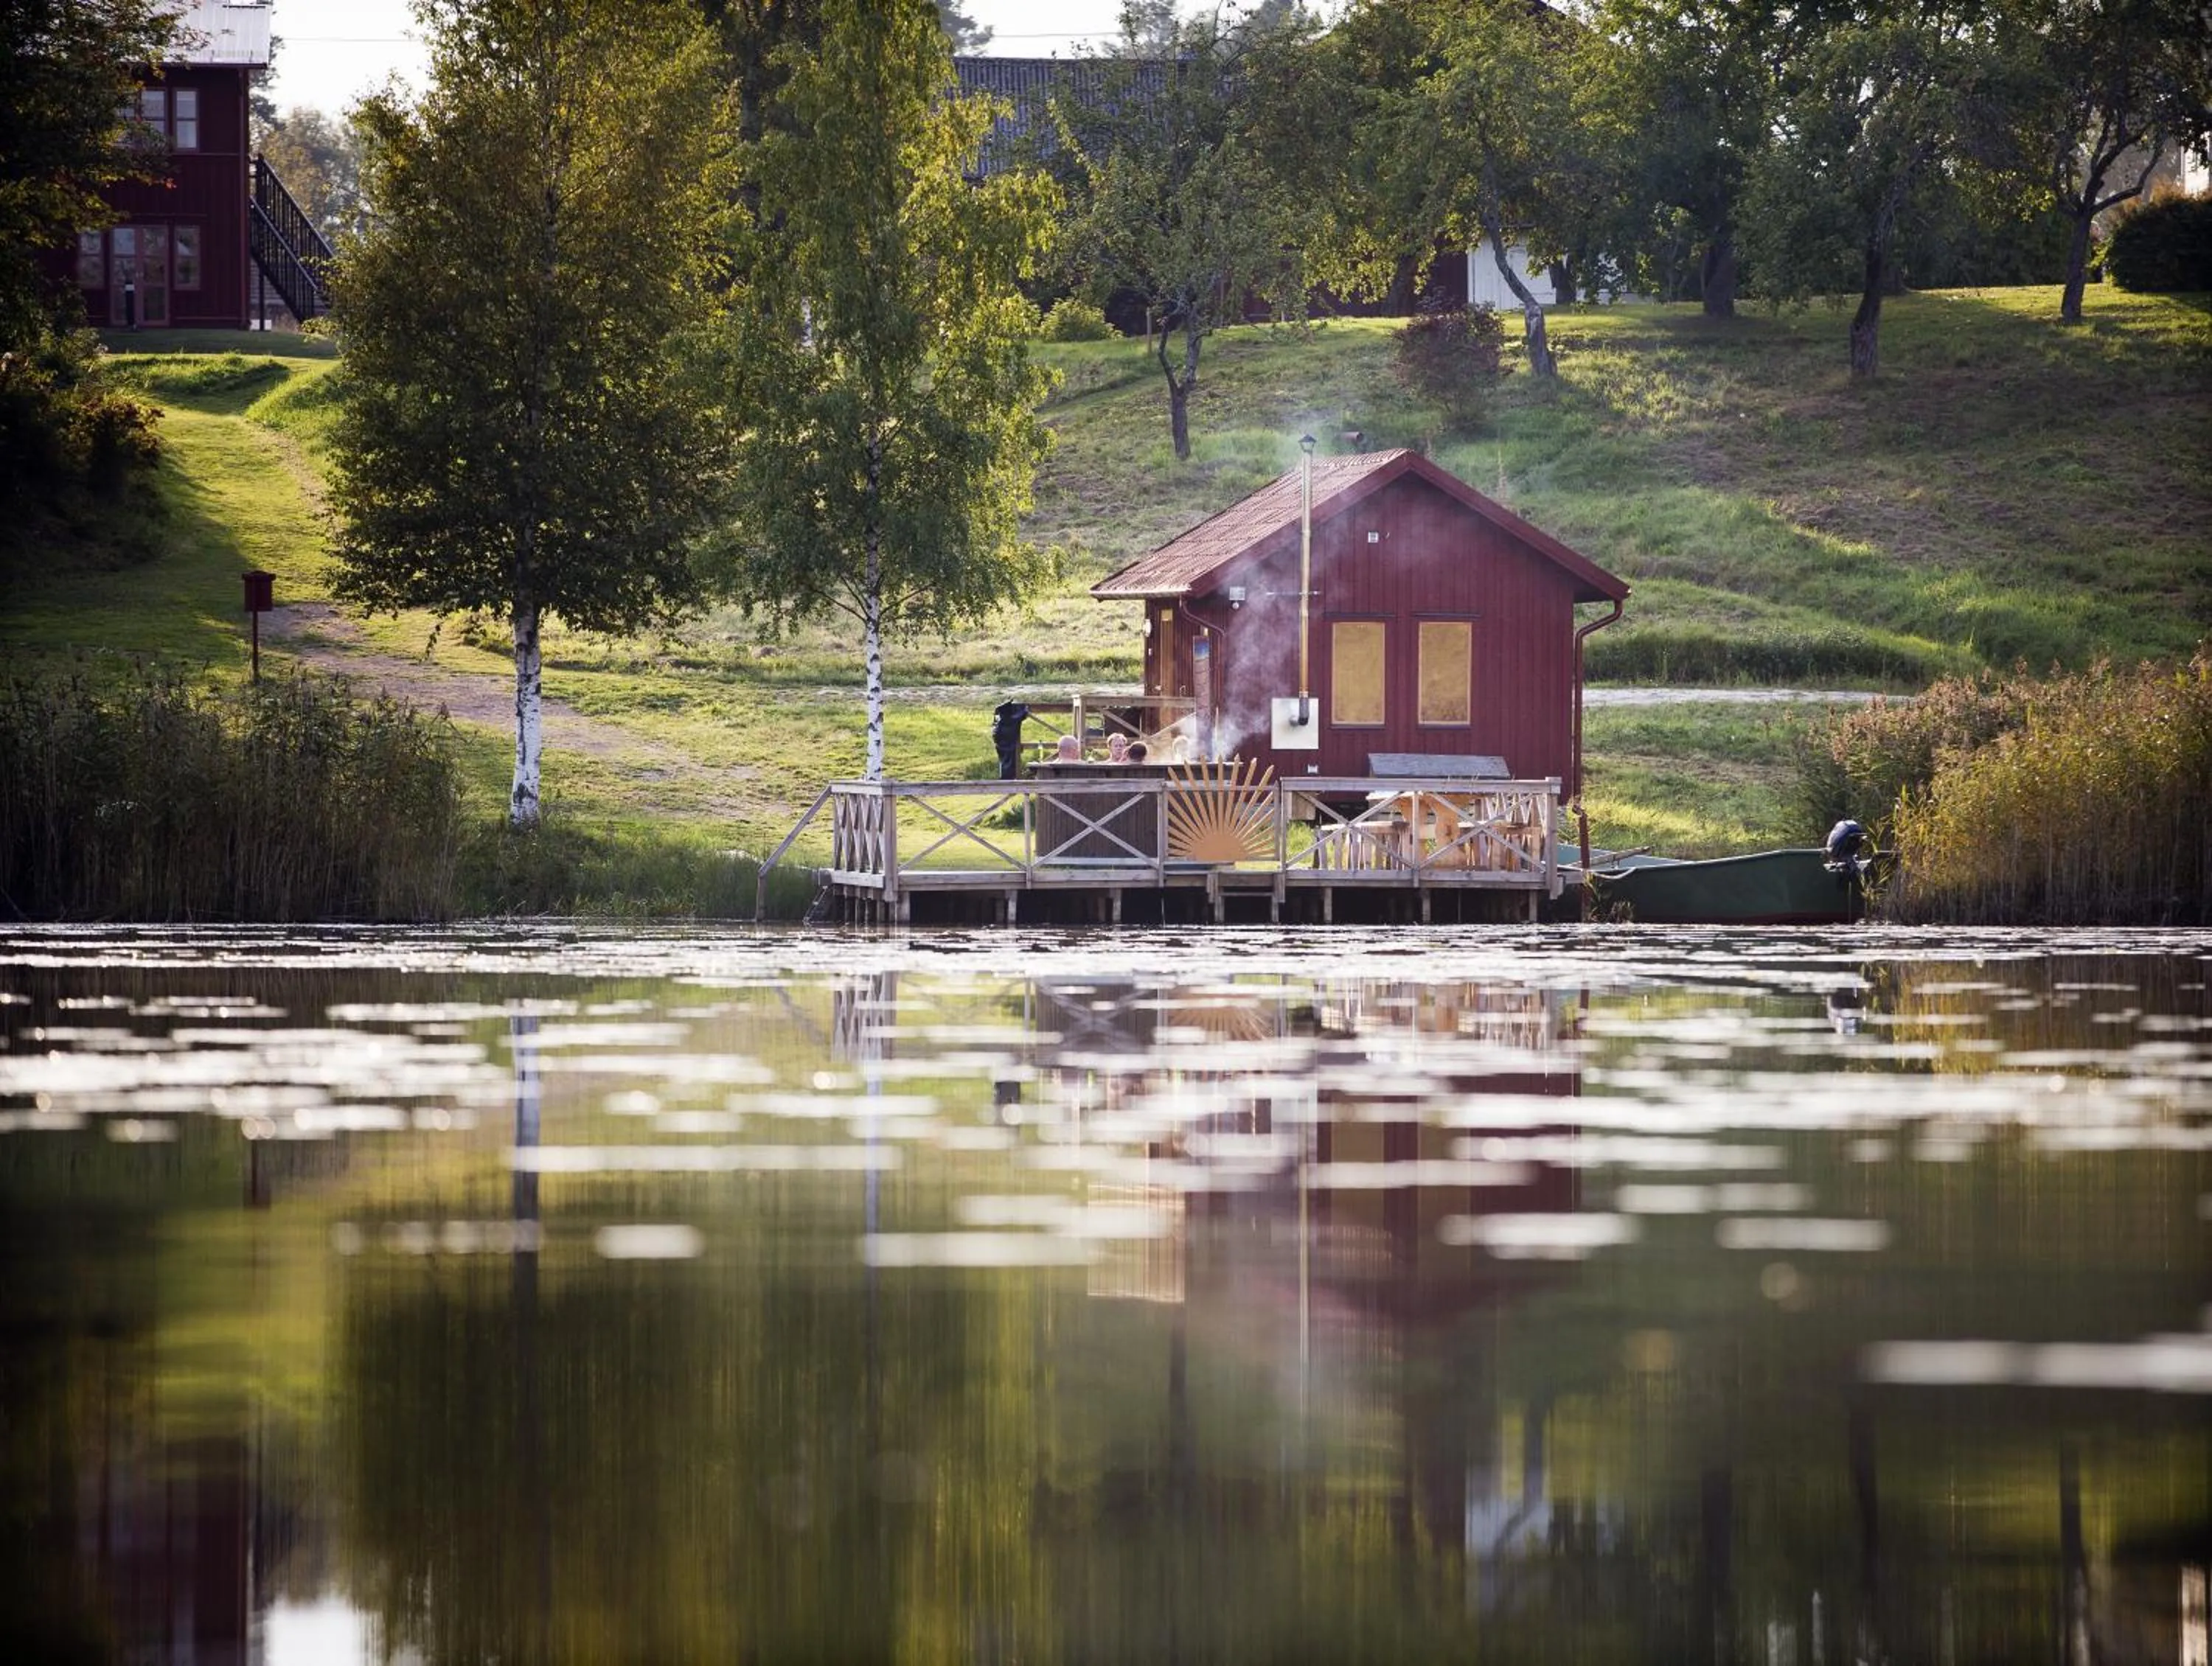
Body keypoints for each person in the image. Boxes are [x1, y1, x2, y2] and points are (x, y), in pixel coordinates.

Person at [990, 700, 1029, 779]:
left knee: (1005, 763)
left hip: (1002, 745)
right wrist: (1024, 708)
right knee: (1010, 763)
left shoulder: (999, 722)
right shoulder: (1012, 720)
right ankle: (1010, 778)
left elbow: (995, 735)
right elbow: (1024, 714)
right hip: (1009, 746)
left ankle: (1007, 778)